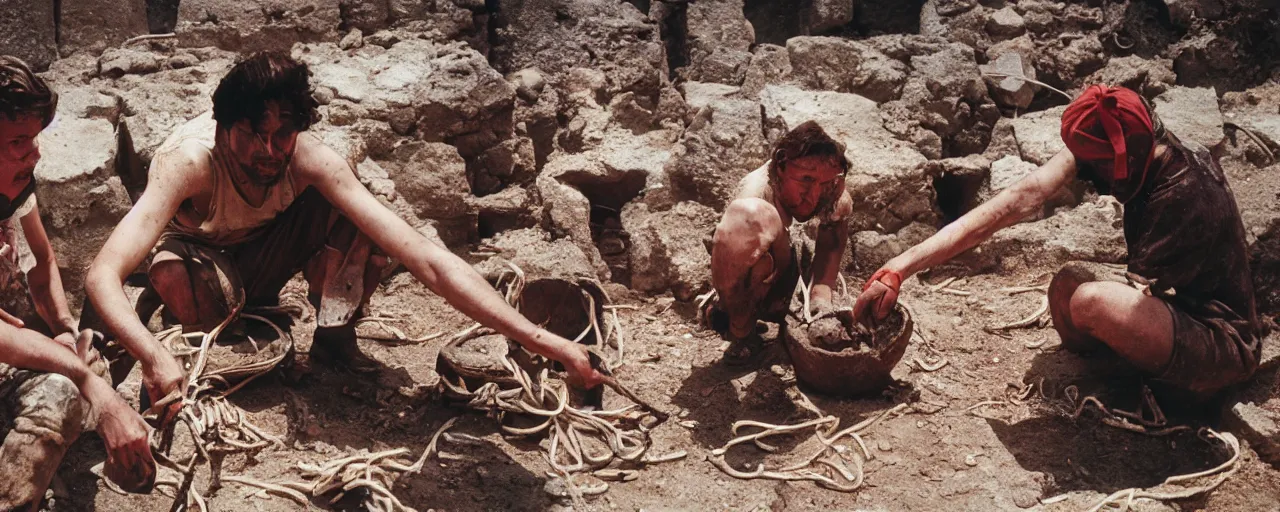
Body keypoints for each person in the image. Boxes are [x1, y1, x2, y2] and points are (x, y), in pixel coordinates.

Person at [85, 51, 606, 410]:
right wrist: (151, 356)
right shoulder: (189, 163)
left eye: (282, 133)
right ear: (224, 126)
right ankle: (230, 332)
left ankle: (333, 338)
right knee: (178, 276)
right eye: (253, 136)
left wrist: (549, 344)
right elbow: (102, 273)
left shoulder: (310, 160)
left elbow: (425, 258)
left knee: (367, 227)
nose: (268, 152)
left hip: (271, 250)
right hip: (206, 259)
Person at [855, 85, 1262, 397]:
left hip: (1222, 340)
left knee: (1091, 301)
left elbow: (1141, 290)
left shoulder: (1181, 194)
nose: (1086, 173)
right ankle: (1121, 374)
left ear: (1120, 160)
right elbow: (1016, 200)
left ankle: (1174, 394)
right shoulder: (1133, 137)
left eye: (1092, 164)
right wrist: (900, 267)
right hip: (1179, 306)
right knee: (1067, 285)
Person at [0, 55, 153, 510]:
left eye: (35, 139)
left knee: (91, 354)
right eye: (18, 141)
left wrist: (65, 329)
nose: (35, 153)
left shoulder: (13, 188)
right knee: (70, 387)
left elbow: (42, 261)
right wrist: (88, 383)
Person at [705, 121, 853, 363]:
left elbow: (831, 238)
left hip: (794, 265)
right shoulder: (753, 195)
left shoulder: (831, 189)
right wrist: (739, 319)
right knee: (750, 219)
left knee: (840, 200)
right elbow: (732, 253)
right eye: (806, 179)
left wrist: (821, 299)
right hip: (758, 275)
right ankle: (741, 328)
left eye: (824, 183)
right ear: (781, 167)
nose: (814, 195)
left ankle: (806, 305)